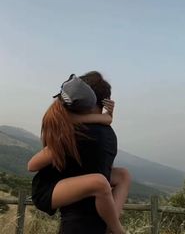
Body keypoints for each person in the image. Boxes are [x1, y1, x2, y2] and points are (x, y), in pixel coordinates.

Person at [28, 74, 125, 234]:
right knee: (99, 183)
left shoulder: (73, 120)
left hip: (64, 188)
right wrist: (105, 117)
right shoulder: (68, 130)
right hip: (47, 190)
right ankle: (117, 230)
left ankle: (110, 221)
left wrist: (106, 118)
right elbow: (32, 165)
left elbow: (92, 119)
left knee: (123, 175)